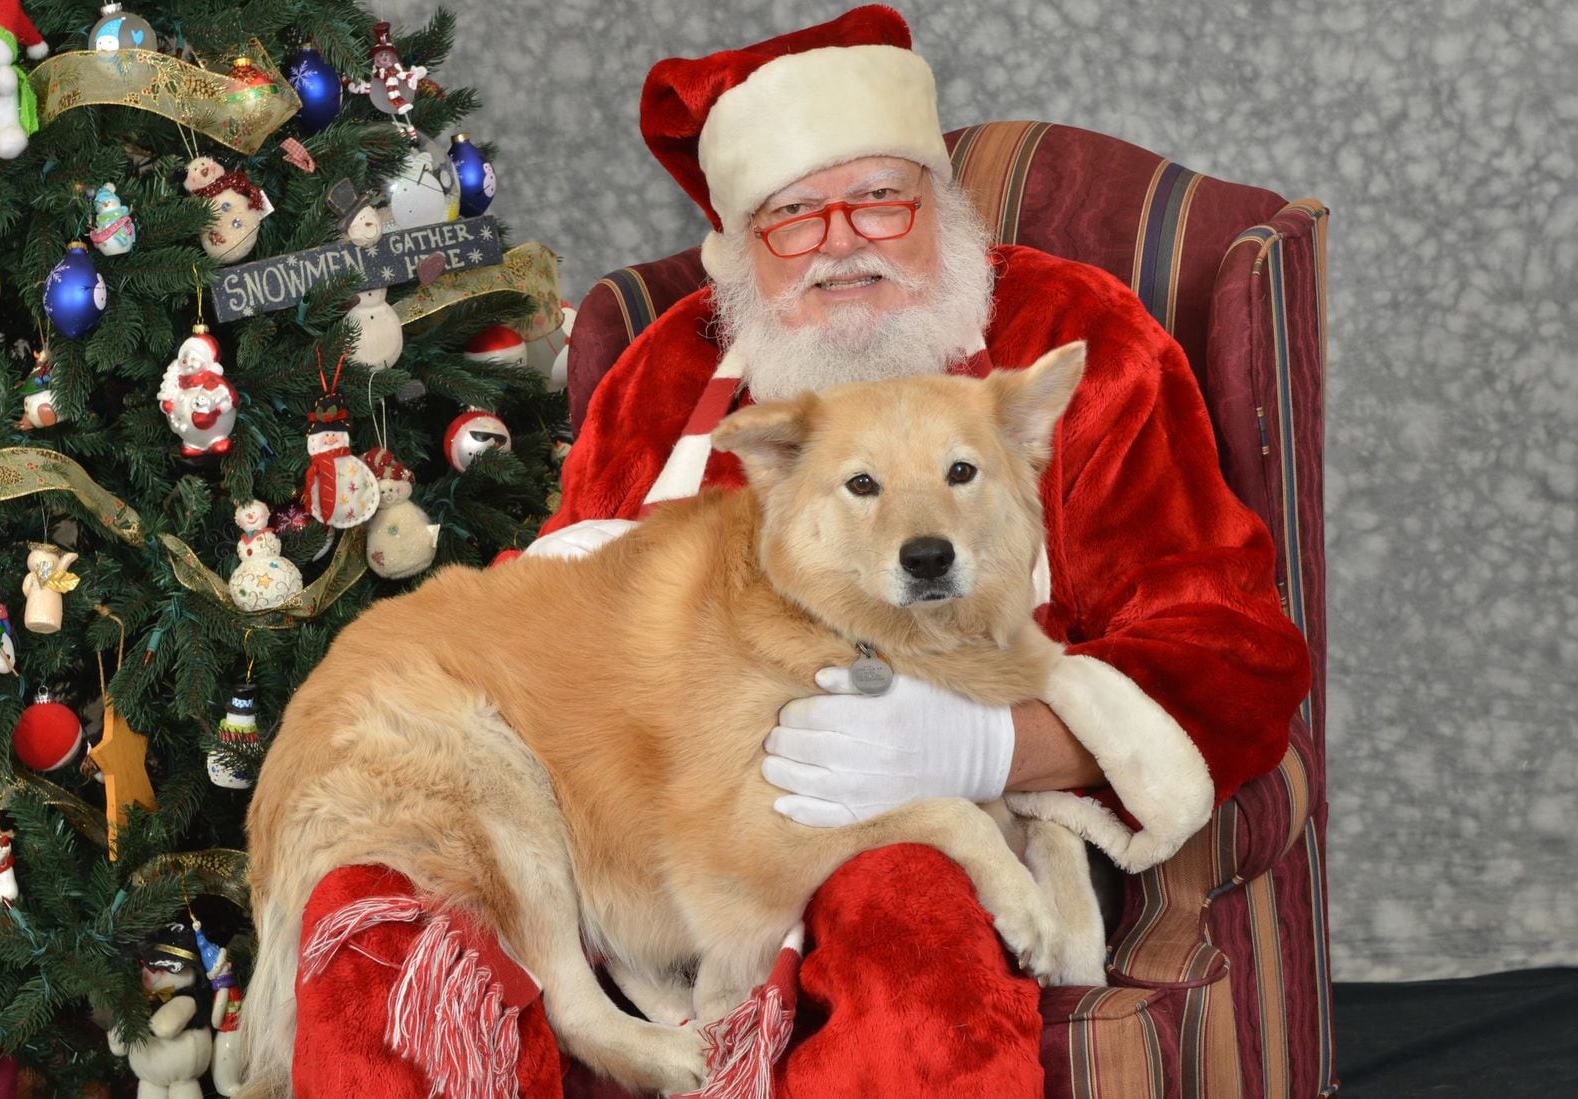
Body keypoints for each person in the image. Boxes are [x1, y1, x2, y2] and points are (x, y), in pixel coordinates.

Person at [282, 7, 1310, 1097]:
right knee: (373, 923)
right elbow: (564, 639)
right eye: (792, 216)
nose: (840, 242)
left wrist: (990, 749)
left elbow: (1233, 655)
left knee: (903, 910)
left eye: (877, 198)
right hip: (651, 832)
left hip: (917, 832)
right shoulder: (662, 374)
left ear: (936, 208)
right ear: (738, 249)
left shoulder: (1079, 339)